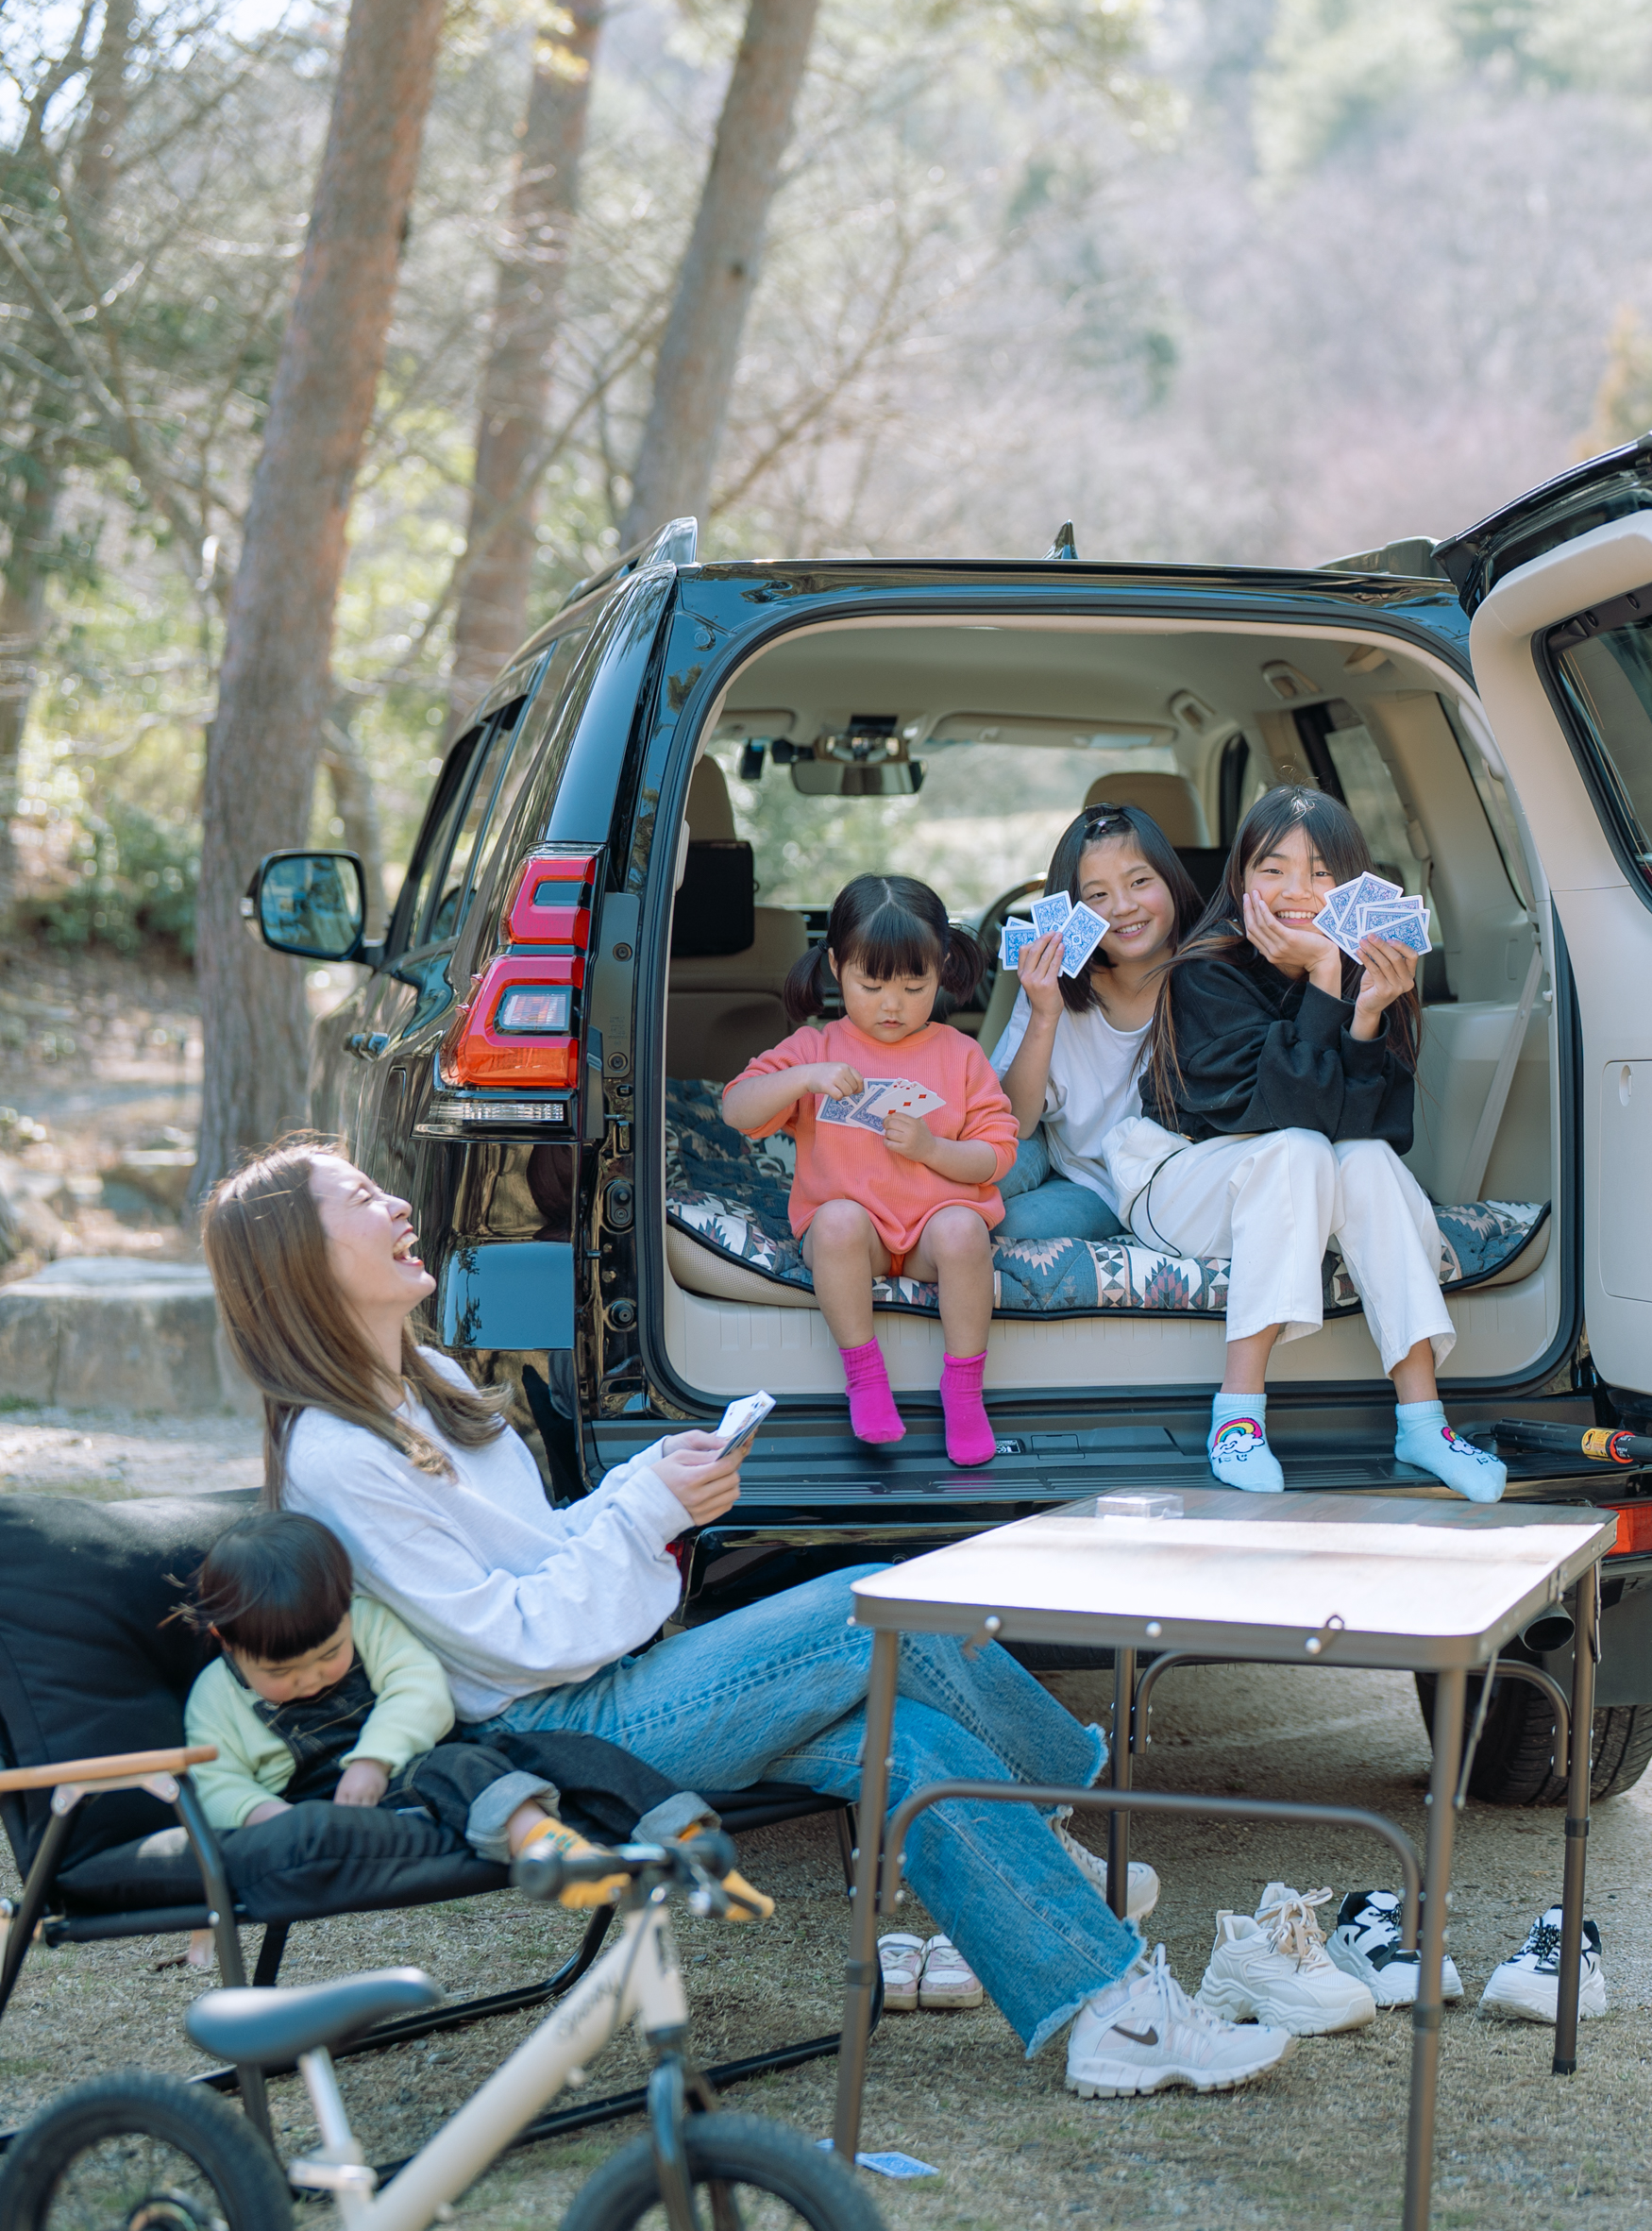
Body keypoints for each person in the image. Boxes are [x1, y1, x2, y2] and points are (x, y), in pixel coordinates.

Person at [200, 1138, 1288, 2100]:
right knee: (874, 1611)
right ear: (300, 1261)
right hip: (537, 1734)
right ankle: (1064, 1823)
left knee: (901, 1742)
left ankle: (1116, 2018)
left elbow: (534, 1555)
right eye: (358, 1198)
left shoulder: (423, 1379)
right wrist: (648, 1517)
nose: (395, 1204)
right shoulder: (338, 1454)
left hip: (598, 1685)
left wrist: (642, 1495)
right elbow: (507, 1641)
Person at [1109, 786, 1506, 1500]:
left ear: (1354, 885)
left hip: (1297, 1182)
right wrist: (1324, 976)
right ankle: (1237, 1415)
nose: (1298, 891)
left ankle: (1422, 1420)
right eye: (1273, 869)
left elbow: (1373, 1128)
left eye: (1322, 872)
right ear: (1240, 881)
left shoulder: (1371, 970)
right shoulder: (1206, 970)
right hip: (1180, 1182)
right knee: (1295, 1146)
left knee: (1369, 1158)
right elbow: (1279, 1110)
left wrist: (1365, 1013)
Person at [177, 1510, 768, 1918]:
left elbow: (419, 1689)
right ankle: (544, 1849)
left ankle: (682, 1834)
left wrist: (375, 1757)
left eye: (329, 1655)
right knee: (452, 1766)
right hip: (337, 1799)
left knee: (550, 1748)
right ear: (228, 1641)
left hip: (405, 1758)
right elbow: (213, 1778)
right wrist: (263, 1815)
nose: (309, 1678)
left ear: (345, 1611)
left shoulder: (367, 1622)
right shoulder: (217, 1697)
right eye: (280, 1675)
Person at [723, 874, 1020, 1462]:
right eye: (872, 983)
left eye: (915, 986)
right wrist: (805, 1078)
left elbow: (998, 1153)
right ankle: (865, 1376)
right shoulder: (815, 1047)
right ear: (837, 967)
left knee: (965, 1230)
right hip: (857, 1240)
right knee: (835, 1222)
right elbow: (736, 1107)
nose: (892, 1004)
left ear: (941, 972)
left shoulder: (960, 1054)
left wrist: (932, 1149)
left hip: (932, 1232)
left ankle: (963, 1390)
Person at [985, 805, 1198, 1243]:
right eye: (1097, 896)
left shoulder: (1211, 981)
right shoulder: (1057, 981)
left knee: (1011, 1226)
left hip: (1125, 1187)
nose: (1123, 907)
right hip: (1056, 1150)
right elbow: (1014, 1123)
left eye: (1140, 881)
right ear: (1072, 911)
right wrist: (1045, 1013)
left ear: (1171, 881)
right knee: (962, 1175)